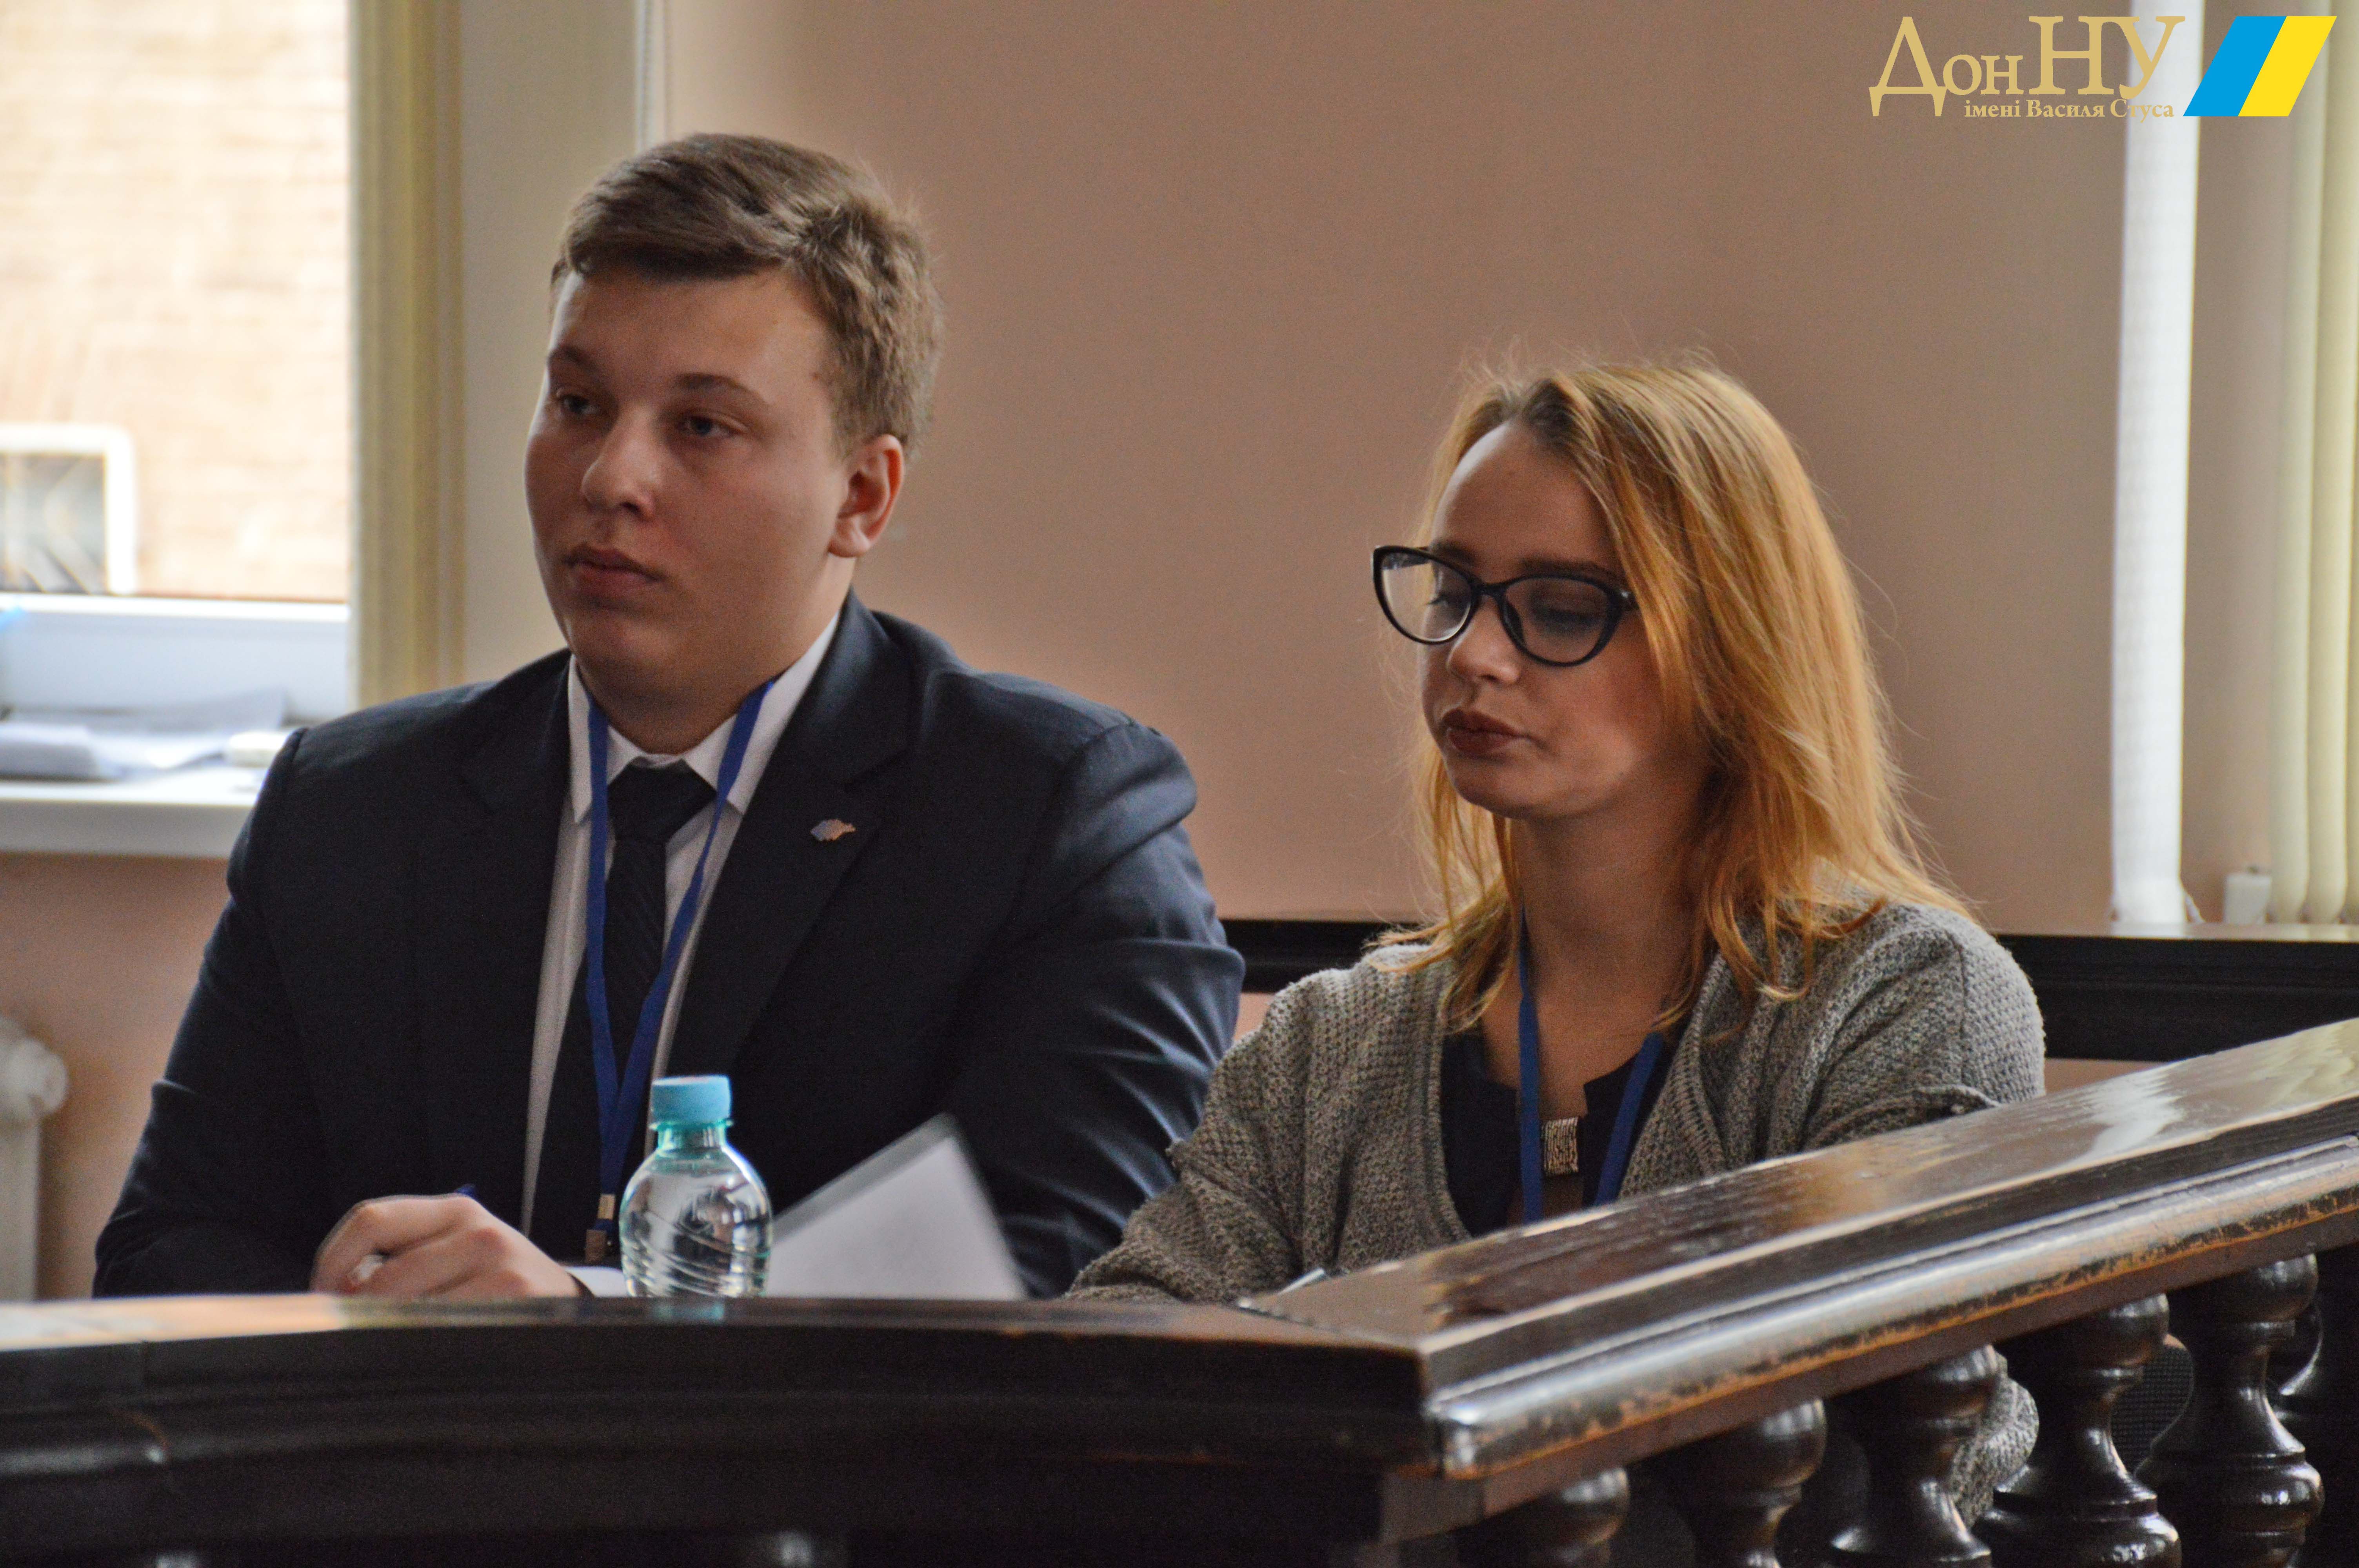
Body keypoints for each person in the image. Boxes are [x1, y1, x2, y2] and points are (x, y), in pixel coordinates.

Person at [96, 134, 1241, 1302]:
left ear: (861, 495)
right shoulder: (347, 811)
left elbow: (1076, 1284)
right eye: (578, 404)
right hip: (406, 1429)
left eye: (701, 426)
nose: (609, 478)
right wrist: (367, 1326)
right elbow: (165, 1258)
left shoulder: (1047, 819)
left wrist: (588, 1324)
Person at [1069, 362, 2043, 1519]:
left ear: (1729, 643)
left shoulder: (1904, 997)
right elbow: (1114, 1370)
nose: (1474, 655)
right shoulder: (1332, 1041)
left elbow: (1901, 1451)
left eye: (1561, 609)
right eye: (1454, 592)